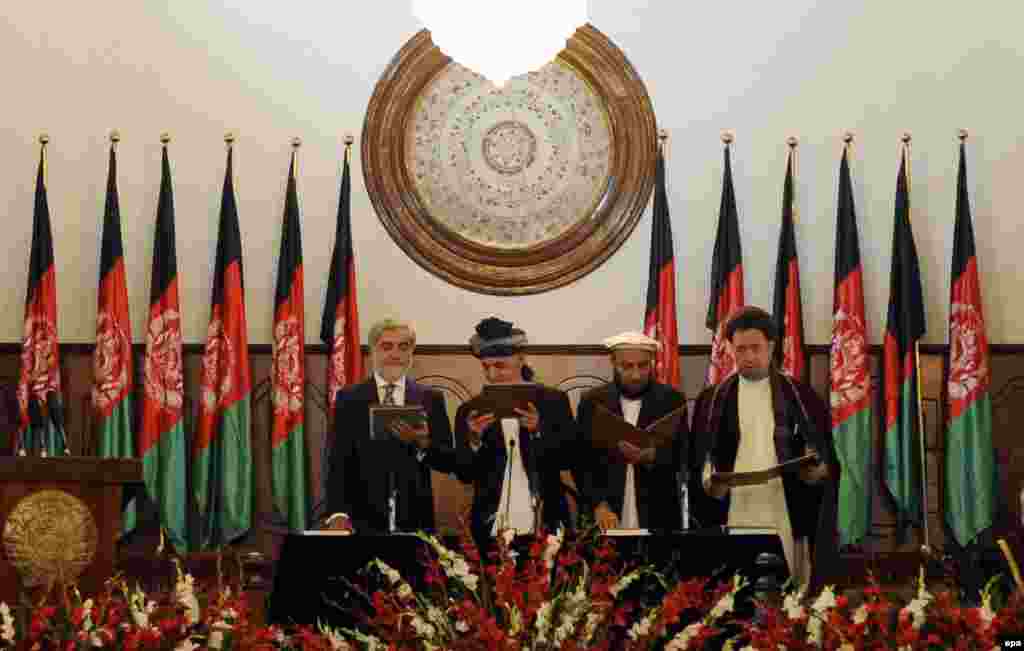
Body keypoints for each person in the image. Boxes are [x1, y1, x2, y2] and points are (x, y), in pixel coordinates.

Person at [689, 306, 838, 590]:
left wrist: (816, 472)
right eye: (740, 349)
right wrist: (709, 483)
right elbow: (699, 458)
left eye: (755, 348)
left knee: (785, 587)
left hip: (782, 503)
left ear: (771, 347)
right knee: (736, 586)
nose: (748, 357)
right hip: (734, 506)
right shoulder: (712, 400)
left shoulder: (800, 396)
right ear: (730, 349)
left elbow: (826, 456)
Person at [323, 318, 456, 533]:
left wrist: (423, 444)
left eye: (403, 347)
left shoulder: (431, 398)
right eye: (387, 347)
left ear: (411, 353)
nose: (395, 354)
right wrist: (337, 513)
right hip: (363, 517)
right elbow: (338, 460)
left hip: (415, 516)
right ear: (373, 351)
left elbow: (448, 462)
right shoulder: (350, 398)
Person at [452, 317, 576, 546]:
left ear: (521, 359)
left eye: (499, 366)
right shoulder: (469, 411)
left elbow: (569, 458)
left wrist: (539, 431)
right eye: (485, 367)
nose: (491, 375)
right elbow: (464, 474)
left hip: (545, 516)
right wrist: (474, 440)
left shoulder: (553, 401)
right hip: (490, 521)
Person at [576, 332, 689, 531]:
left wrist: (652, 455)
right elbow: (582, 461)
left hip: (658, 513)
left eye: (643, 365)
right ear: (613, 363)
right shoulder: (592, 402)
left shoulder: (672, 400)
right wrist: (598, 504)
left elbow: (684, 453)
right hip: (606, 513)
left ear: (652, 363)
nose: (636, 374)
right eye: (627, 366)